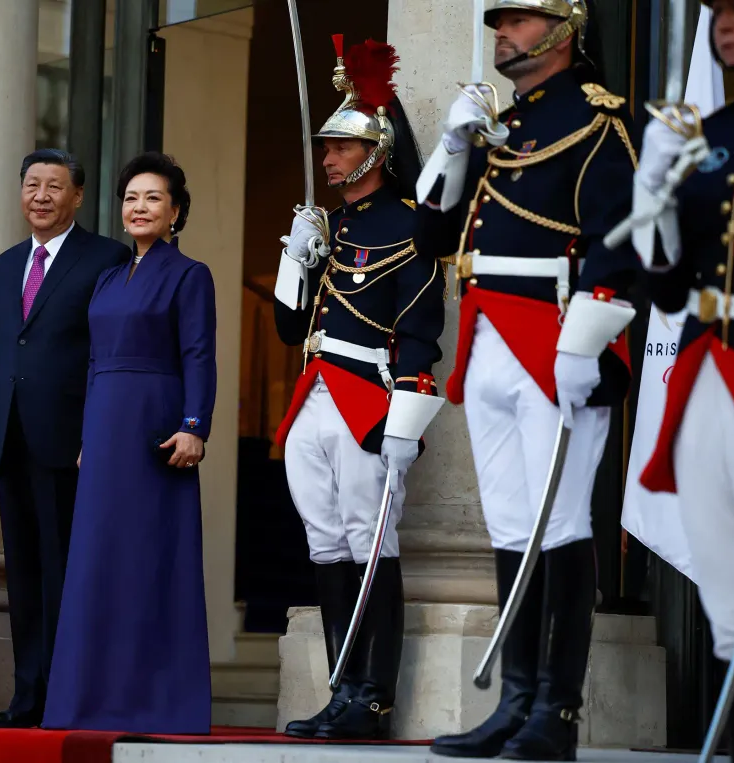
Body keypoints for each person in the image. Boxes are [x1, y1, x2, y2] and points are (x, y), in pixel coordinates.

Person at [415, 1, 639, 759]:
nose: (502, 36)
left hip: (556, 338)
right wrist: (451, 145)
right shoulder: (500, 126)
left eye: (516, 23)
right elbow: (432, 235)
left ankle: (557, 711)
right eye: (498, 25)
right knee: (511, 523)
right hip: (486, 338)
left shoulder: (601, 119)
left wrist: (589, 338)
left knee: (564, 522)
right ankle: (514, 702)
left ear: (561, 32)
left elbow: (621, 238)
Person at [272, 37, 445, 741]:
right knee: (324, 541)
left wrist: (406, 418)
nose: (328, 159)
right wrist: (295, 257)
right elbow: (289, 326)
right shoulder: (331, 225)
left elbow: (422, 332)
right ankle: (342, 687)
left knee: (367, 540)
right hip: (311, 390)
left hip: (367, 395)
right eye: (328, 149)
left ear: (374, 153)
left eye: (340, 149)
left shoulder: (410, 227)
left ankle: (372, 697)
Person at [42, 152, 216, 734]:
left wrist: (195, 425)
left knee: (150, 560)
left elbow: (197, 354)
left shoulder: (190, 274)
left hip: (155, 429)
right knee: (97, 563)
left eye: (153, 199)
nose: (139, 208)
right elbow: (93, 361)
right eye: (131, 198)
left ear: (175, 211)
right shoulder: (110, 277)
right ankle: (88, 701)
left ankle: (159, 701)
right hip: (106, 431)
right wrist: (89, 435)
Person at [0, 149, 130, 729]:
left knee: (67, 570)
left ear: (78, 196)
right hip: (11, 440)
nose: (41, 196)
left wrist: (100, 432)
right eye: (32, 185)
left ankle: (71, 695)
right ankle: (28, 695)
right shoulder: (3, 264)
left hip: (73, 441)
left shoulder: (107, 260)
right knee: (24, 573)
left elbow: (106, 352)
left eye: (54, 186)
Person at [632, 2, 734, 759]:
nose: (726, 23)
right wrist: (657, 199)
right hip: (706, 351)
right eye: (719, 12)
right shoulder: (708, 142)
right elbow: (667, 291)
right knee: (720, 568)